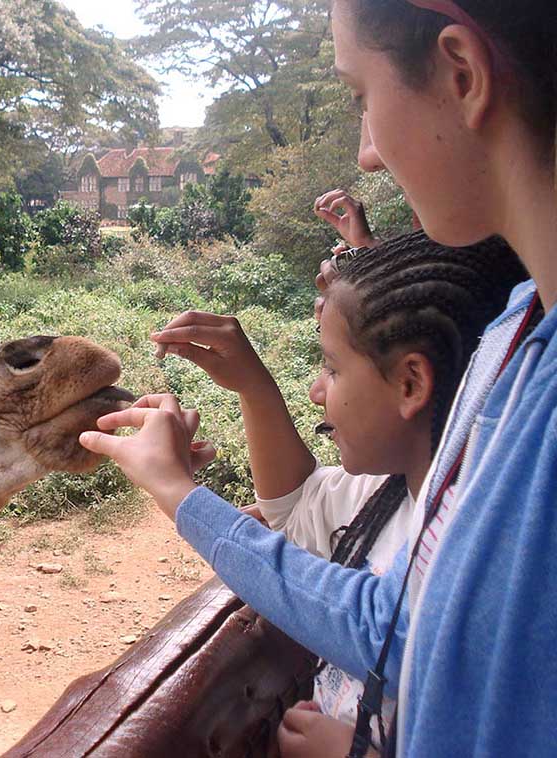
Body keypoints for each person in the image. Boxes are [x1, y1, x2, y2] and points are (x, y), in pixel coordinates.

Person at [79, 1, 557, 755]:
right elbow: (415, 630)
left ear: (462, 74)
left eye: (363, 97)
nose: (367, 153)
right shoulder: (514, 336)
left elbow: (398, 631)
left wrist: (179, 494)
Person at [157, 231, 525, 754]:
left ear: (410, 385)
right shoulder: (386, 496)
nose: (316, 389)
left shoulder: (473, 560)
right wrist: (254, 386)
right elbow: (296, 505)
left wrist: (175, 489)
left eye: (331, 366)